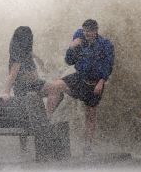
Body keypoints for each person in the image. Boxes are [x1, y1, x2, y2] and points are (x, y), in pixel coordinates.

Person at [46, 19, 115, 155]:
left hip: (95, 84)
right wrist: (71, 47)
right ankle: (46, 119)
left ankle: (87, 146)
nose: (86, 34)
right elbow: (69, 61)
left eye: (89, 31)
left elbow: (108, 66)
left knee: (90, 115)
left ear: (95, 31)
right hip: (79, 79)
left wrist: (101, 82)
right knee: (55, 86)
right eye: (85, 31)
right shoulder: (79, 39)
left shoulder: (105, 44)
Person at [3, 26, 50, 101]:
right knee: (54, 90)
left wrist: (37, 57)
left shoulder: (24, 50)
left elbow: (29, 53)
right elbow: (13, 74)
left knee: (55, 89)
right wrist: (6, 92)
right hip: (24, 88)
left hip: (34, 85)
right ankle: (47, 112)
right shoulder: (17, 53)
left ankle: (47, 112)